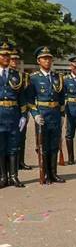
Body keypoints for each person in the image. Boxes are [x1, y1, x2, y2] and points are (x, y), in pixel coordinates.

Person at [26, 46, 66, 184]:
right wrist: (35, 114)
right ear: (38, 61)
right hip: (42, 115)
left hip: (55, 115)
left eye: (49, 58)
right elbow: (30, 100)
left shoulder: (58, 77)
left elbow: (61, 99)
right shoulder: (34, 78)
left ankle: (54, 173)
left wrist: (62, 115)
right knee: (43, 145)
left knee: (55, 144)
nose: (47, 61)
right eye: (44, 58)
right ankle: (45, 174)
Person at [0, 41, 27, 188]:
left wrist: (23, 115)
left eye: (8, 55)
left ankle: (14, 176)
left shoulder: (17, 75)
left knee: (13, 146)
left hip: (13, 114)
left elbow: (21, 97)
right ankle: (3, 177)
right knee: (1, 147)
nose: (6, 57)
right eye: (3, 54)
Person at [9, 50, 31, 171]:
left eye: (16, 59)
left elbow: (25, 95)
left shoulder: (23, 76)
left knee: (21, 137)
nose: (14, 61)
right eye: (12, 59)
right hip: (8, 110)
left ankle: (20, 161)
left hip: (20, 110)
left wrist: (25, 112)